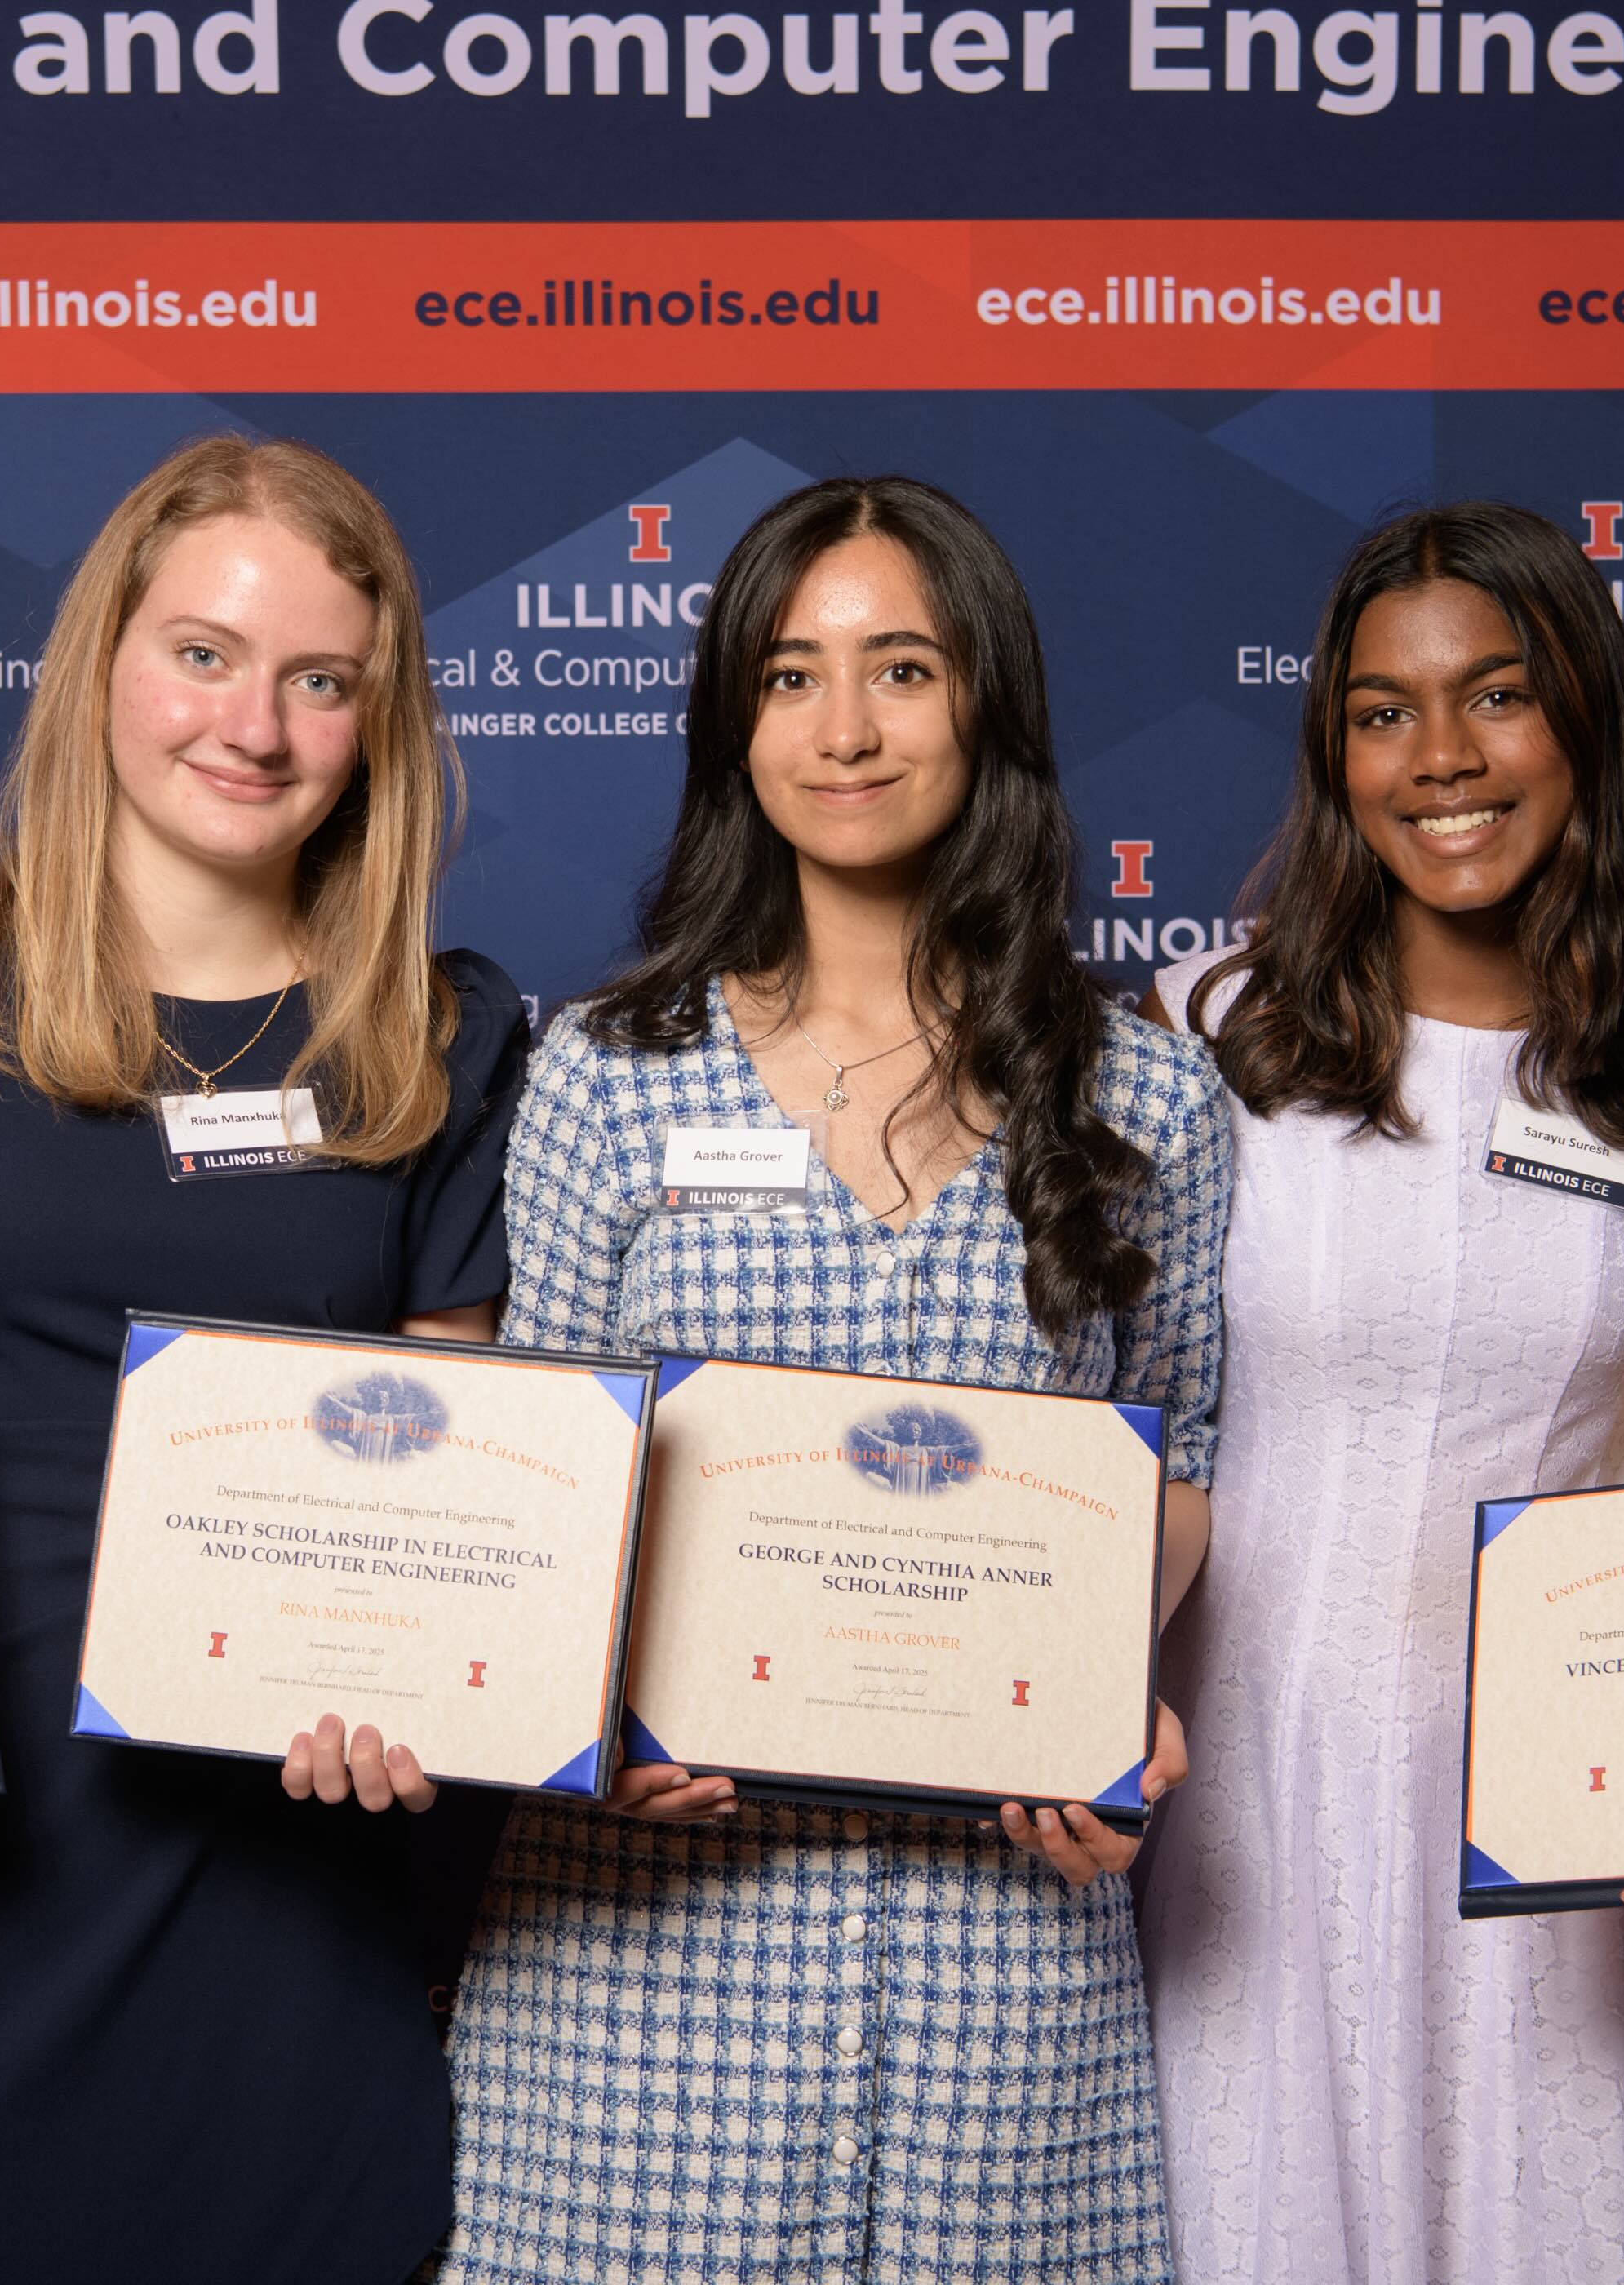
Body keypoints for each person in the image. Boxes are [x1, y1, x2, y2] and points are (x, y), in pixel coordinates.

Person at [0, 436, 526, 2281]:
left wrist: (427, 1699)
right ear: (105, 661)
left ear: (378, 722)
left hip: (290, 1897)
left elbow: (454, 1505)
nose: (255, 726)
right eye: (204, 654)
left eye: (321, 680)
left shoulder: (443, 1042)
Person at [438, 475, 1230, 2282]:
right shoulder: (605, 1076)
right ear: (737, 723)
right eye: (792, 676)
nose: (846, 728)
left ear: (986, 701)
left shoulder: (1145, 1094)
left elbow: (1182, 1452)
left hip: (1001, 1967)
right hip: (647, 1968)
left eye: (903, 669)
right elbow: (537, 1483)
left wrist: (1098, 1682)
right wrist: (582, 1720)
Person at [1134, 502, 1624, 2283]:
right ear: (1337, 758)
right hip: (1240, 1789)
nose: (1442, 757)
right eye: (1383, 712)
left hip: (1552, 1813)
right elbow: (1111, 1416)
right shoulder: (1207, 1031)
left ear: (1589, 721)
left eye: (1499, 697)